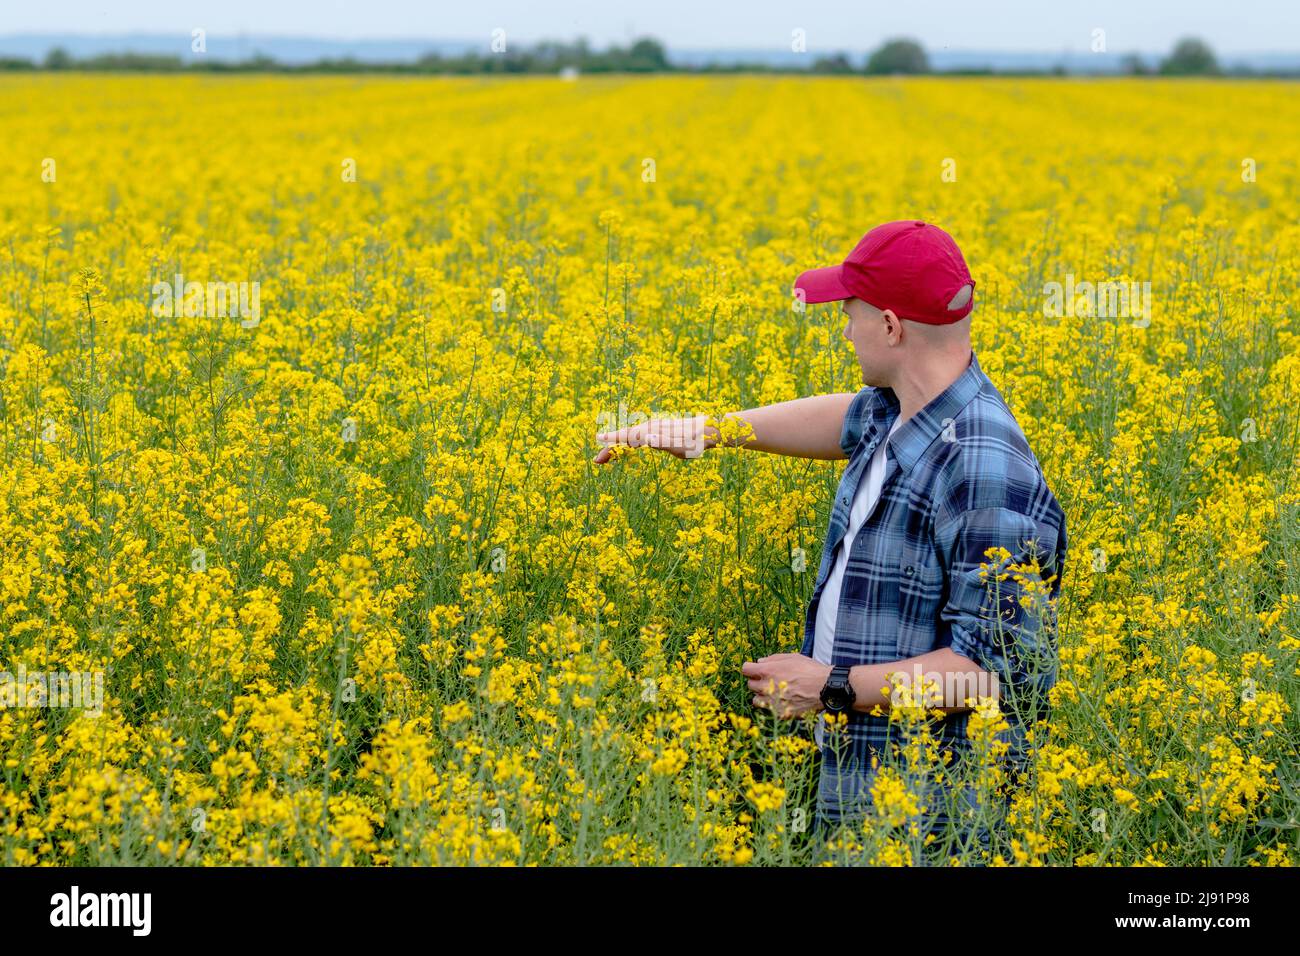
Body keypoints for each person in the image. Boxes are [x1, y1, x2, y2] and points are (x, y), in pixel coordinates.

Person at [592, 220, 1067, 860]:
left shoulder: (985, 467)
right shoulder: (900, 405)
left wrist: (833, 686)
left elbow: (993, 677)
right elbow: (835, 418)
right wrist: (706, 431)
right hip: (865, 787)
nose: (844, 330)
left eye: (851, 314)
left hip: (933, 818)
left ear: (893, 328)